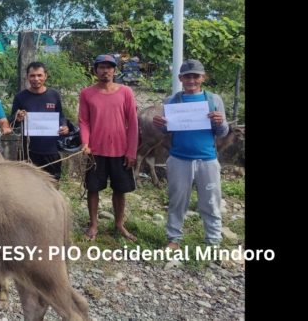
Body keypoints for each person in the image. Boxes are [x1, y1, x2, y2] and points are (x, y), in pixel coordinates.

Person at [152, 59, 229, 249]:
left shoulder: (213, 100)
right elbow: (167, 132)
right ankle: (174, 238)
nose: (191, 80)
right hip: (179, 159)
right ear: (180, 78)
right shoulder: (172, 101)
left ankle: (213, 240)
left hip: (207, 159)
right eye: (187, 76)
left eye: (196, 76)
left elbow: (223, 132)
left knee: (211, 201)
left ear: (203, 78)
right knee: (177, 200)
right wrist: (161, 126)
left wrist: (220, 123)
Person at [79, 54, 139, 242]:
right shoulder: (86, 93)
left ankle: (119, 223)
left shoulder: (126, 92)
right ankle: (94, 224)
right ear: (95, 70)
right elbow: (84, 121)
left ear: (115, 70)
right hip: (95, 151)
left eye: (109, 67)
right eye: (101, 67)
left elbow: (133, 123)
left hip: (120, 150)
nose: (106, 71)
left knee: (120, 189)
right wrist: (85, 142)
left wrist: (131, 151)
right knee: (93, 188)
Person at [9, 62, 69, 181]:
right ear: (27, 77)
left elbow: (61, 116)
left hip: (51, 150)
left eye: (39, 75)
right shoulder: (20, 97)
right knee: (29, 185)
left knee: (52, 184)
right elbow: (12, 122)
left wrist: (64, 125)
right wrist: (17, 118)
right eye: (32, 75)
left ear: (45, 76)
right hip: (29, 151)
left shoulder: (54, 95)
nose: (36, 79)